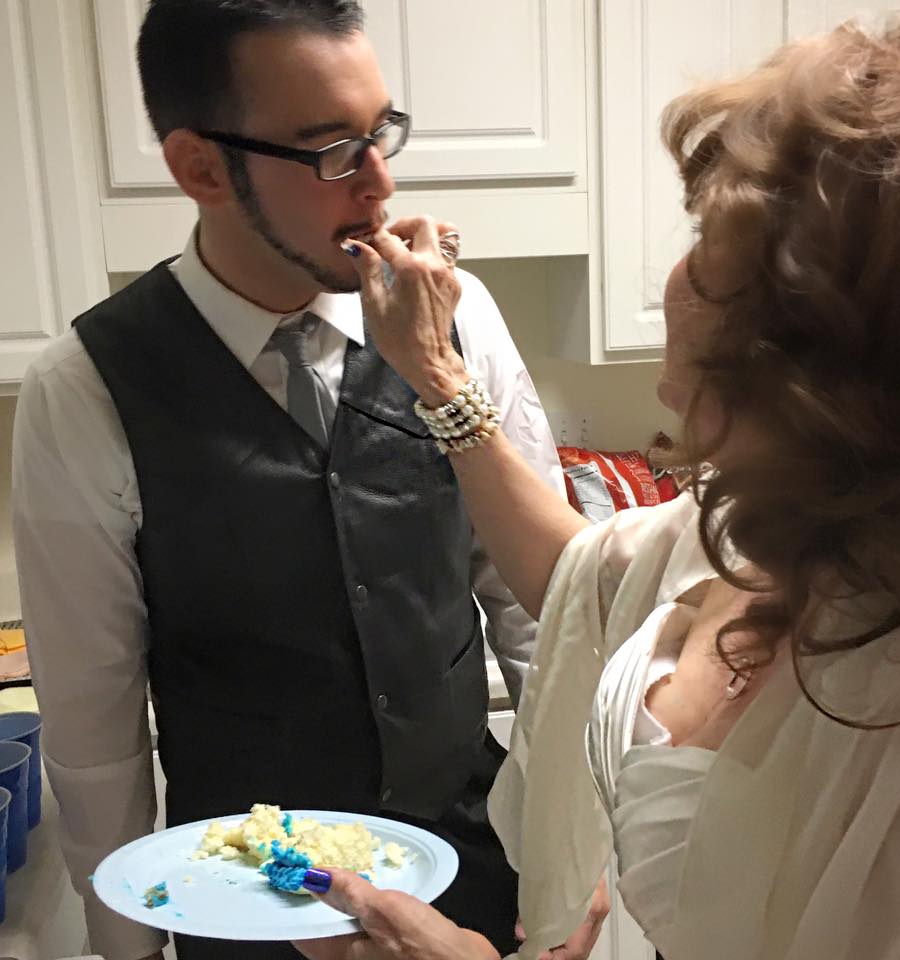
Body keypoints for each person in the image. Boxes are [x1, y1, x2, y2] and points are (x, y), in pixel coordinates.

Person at [290, 17, 900, 960]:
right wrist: (435, 375)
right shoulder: (740, 529)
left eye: (706, 243)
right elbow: (584, 583)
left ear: (808, 358)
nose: (674, 273)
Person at [9, 2, 579, 959]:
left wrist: (569, 865)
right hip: (237, 910)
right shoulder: (84, 390)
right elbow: (94, 730)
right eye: (330, 151)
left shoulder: (456, 316)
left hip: (472, 877)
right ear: (199, 167)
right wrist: (129, 952)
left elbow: (538, 616)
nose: (381, 183)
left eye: (381, 132)